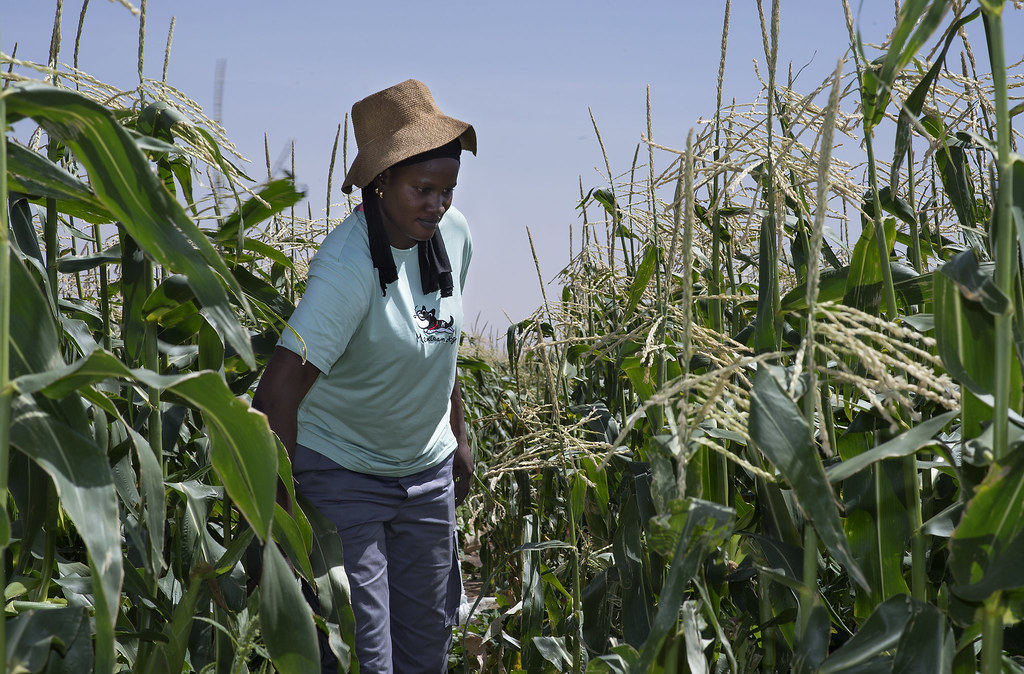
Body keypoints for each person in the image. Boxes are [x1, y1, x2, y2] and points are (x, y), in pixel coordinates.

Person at [252, 78, 476, 674]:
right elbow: (276, 393)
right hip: (342, 476)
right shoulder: (348, 266)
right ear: (381, 182)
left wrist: (457, 437)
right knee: (360, 658)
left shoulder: (454, 236)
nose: (437, 206)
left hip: (425, 475)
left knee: (426, 653)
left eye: (447, 190)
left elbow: (439, 340)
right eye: (422, 190)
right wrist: (281, 521)